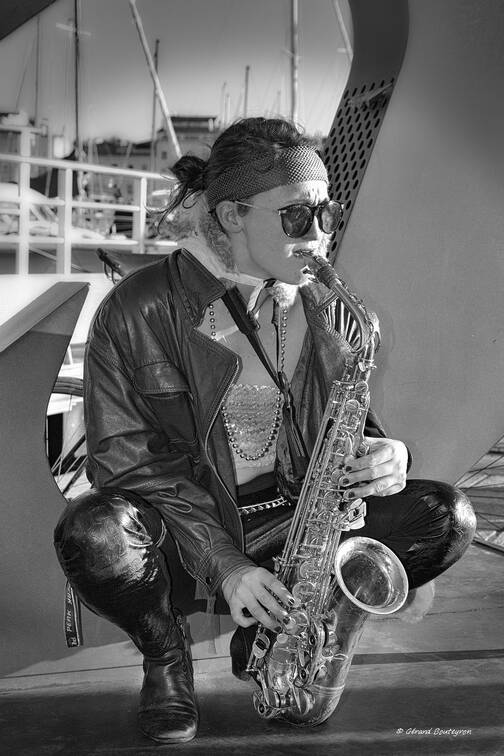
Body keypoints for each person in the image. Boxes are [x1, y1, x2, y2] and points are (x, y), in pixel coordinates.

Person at [54, 117, 476, 745]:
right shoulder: (136, 308)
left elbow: (347, 425)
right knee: (93, 534)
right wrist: (225, 564)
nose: (321, 235)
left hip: (294, 519)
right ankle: (166, 659)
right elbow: (127, 463)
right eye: (298, 217)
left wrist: (389, 455)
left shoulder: (328, 308)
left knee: (445, 515)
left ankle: (284, 632)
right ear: (230, 215)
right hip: (185, 529)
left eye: (328, 215)